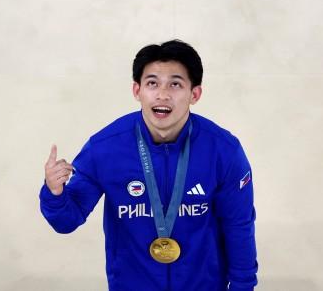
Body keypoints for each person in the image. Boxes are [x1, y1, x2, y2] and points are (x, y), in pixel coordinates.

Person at [39, 40, 258, 291]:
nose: (162, 94)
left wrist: (243, 287)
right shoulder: (104, 148)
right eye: (152, 83)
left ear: (194, 94)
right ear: (137, 90)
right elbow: (67, 221)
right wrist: (55, 194)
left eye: (175, 84)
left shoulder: (224, 151)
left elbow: (238, 227)